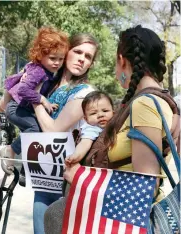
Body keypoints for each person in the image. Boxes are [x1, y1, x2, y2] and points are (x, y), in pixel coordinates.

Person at [44, 25, 175, 234]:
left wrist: (80, 178)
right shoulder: (158, 101)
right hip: (118, 215)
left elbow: (144, 186)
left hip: (121, 220)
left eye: (116, 63)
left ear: (122, 60)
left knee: (56, 213)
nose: (116, 72)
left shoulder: (146, 104)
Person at [1, 33, 100, 234]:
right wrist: (22, 79)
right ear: (66, 51)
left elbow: (52, 130)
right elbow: (3, 105)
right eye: (78, 51)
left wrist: (36, 98)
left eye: (88, 56)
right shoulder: (47, 80)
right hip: (43, 176)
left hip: (67, 180)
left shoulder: (85, 92)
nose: (82, 58)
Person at [0, 26, 68, 173]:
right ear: (40, 56)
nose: (57, 63)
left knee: (36, 133)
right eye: (52, 58)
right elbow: (23, 90)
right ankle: (10, 150)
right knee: (35, 128)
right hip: (16, 108)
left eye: (61, 59)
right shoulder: (39, 71)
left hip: (23, 108)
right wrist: (42, 99)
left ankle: (25, 169)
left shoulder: (48, 70)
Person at [65, 91, 114, 166]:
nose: (100, 115)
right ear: (86, 119)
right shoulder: (92, 128)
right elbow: (85, 143)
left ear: (113, 112)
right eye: (93, 113)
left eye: (105, 111)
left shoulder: (116, 124)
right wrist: (76, 156)